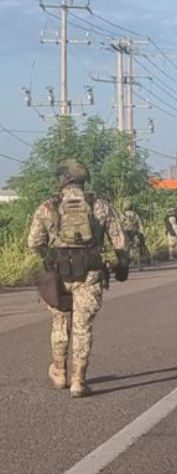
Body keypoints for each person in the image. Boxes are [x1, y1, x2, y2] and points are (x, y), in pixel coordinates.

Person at [27, 160, 128, 398]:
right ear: (84, 180)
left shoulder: (48, 207)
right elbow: (120, 241)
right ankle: (78, 381)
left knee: (60, 323)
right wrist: (122, 265)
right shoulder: (100, 206)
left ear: (61, 180)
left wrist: (49, 259)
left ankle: (60, 372)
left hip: (58, 274)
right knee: (83, 327)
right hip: (90, 274)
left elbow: (34, 243)